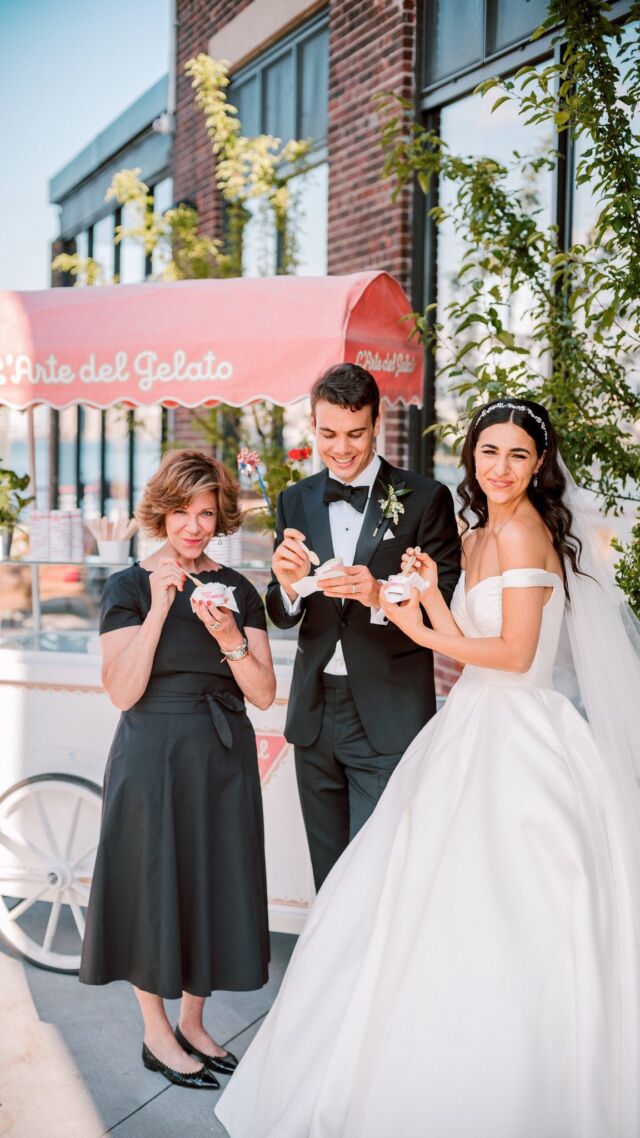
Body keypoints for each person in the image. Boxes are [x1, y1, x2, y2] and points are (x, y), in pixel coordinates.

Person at [216, 399, 640, 1136]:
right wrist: (423, 598)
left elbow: (513, 655)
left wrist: (406, 616)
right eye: (487, 452)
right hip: (464, 725)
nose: (499, 468)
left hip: (521, 738)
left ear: (539, 464)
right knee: (399, 895)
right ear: (472, 456)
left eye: (515, 454)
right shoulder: (480, 534)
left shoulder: (527, 531)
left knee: (508, 911)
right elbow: (458, 631)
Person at [80, 449, 276, 1091]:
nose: (194, 527)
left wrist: (229, 639)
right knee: (153, 885)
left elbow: (265, 693)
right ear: (160, 511)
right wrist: (162, 607)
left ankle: (193, 1023)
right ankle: (155, 1032)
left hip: (222, 756)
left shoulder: (238, 590)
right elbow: (122, 691)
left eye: (206, 513)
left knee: (212, 885)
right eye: (182, 513)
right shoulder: (128, 587)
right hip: (152, 756)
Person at [266, 363, 460, 888]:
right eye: (328, 433)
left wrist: (380, 596)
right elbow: (283, 612)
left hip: (389, 712)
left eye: (355, 433)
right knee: (329, 880)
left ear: (377, 424)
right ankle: (330, 974)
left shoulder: (426, 498)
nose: (342, 448)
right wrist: (286, 586)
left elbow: (445, 603)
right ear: (312, 425)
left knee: (379, 875)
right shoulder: (294, 500)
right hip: (313, 714)